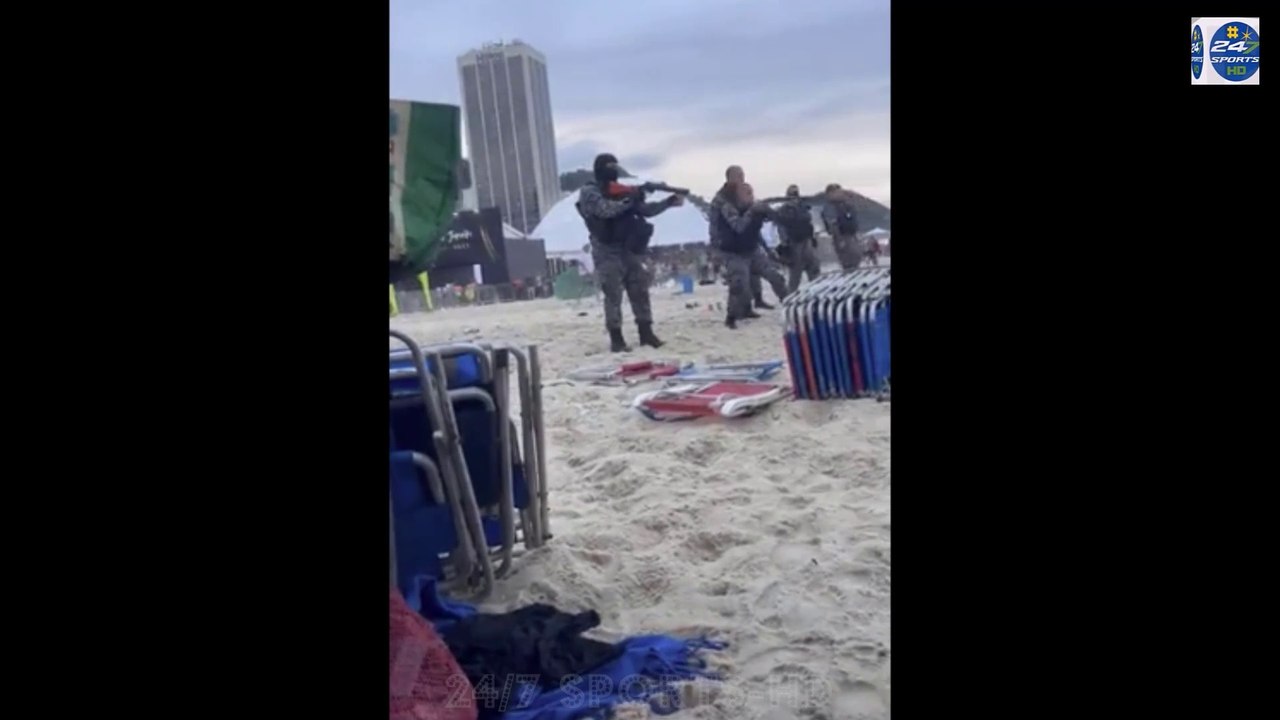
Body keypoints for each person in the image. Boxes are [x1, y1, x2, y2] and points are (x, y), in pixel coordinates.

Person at [576, 153, 684, 352]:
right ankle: (617, 339)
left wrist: (667, 202)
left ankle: (646, 332)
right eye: (609, 166)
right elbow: (604, 210)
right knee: (613, 294)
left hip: (628, 247)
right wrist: (630, 200)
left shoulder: (622, 191)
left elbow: (646, 210)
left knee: (640, 290)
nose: (613, 170)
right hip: (606, 249)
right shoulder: (589, 191)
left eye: (615, 166)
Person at [715, 182, 788, 328]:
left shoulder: (753, 208)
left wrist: (772, 213)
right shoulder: (728, 208)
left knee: (775, 276)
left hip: (752, 250)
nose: (751, 196)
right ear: (737, 195)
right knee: (739, 284)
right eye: (747, 193)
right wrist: (752, 212)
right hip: (734, 252)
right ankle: (731, 317)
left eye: (751, 193)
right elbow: (739, 227)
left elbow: (757, 231)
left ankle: (788, 305)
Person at [772, 184, 822, 292]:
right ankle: (790, 295)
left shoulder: (803, 207)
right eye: (792, 193)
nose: (794, 196)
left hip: (806, 240)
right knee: (795, 272)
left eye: (796, 193)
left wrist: (812, 238)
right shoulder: (784, 210)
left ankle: (816, 290)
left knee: (813, 266)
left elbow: (809, 223)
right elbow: (781, 227)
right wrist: (785, 242)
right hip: (794, 243)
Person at [821, 183, 863, 270]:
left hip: (851, 233)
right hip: (842, 235)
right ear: (830, 194)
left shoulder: (845, 204)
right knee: (849, 258)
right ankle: (849, 275)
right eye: (836, 191)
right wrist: (839, 238)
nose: (840, 193)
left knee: (857, 256)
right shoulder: (830, 206)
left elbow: (853, 218)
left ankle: (853, 273)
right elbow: (832, 223)